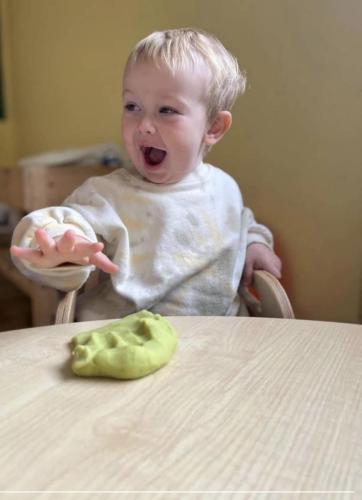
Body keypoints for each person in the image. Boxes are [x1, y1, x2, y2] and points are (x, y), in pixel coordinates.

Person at [10, 28, 281, 320]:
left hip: (221, 339)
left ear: (213, 127)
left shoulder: (226, 187)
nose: (144, 126)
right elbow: (63, 223)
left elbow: (242, 222)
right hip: (124, 339)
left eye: (166, 110)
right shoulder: (106, 196)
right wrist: (59, 245)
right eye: (132, 106)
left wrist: (255, 243)